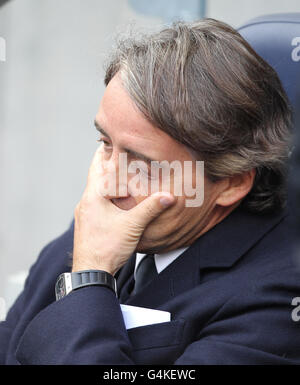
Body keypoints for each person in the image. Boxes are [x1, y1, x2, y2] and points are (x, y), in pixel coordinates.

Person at [1, 18, 300, 365]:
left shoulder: (278, 299)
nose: (107, 186)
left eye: (143, 166)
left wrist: (89, 281)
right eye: (105, 143)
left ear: (232, 182)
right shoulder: (99, 226)